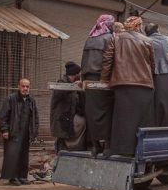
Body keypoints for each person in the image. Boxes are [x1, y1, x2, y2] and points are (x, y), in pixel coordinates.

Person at [101, 16, 155, 157]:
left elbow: (107, 60)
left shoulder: (116, 38)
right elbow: (152, 64)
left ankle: (121, 150)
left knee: (122, 118)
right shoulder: (147, 41)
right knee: (141, 119)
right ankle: (140, 150)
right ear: (138, 26)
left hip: (122, 83)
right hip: (144, 84)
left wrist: (105, 79)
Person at [81, 14, 115, 157]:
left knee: (92, 113)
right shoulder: (109, 38)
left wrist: (83, 78)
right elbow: (111, 60)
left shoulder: (90, 39)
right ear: (108, 24)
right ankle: (107, 145)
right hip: (103, 80)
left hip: (88, 81)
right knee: (108, 112)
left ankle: (95, 146)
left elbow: (83, 61)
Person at [0, 78, 39, 186]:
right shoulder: (11, 99)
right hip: (13, 132)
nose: (25, 88)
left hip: (26, 133)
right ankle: (13, 177)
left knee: (23, 155)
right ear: (18, 86)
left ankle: (22, 177)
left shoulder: (31, 100)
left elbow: (35, 118)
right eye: (23, 86)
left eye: (27, 86)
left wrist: (34, 133)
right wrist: (4, 130)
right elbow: (3, 116)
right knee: (13, 155)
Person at [50, 62, 85, 153]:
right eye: (78, 73)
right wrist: (73, 86)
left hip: (68, 118)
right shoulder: (62, 82)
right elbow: (59, 94)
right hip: (61, 119)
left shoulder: (74, 84)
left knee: (65, 140)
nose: (80, 75)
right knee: (61, 141)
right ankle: (58, 159)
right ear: (75, 74)